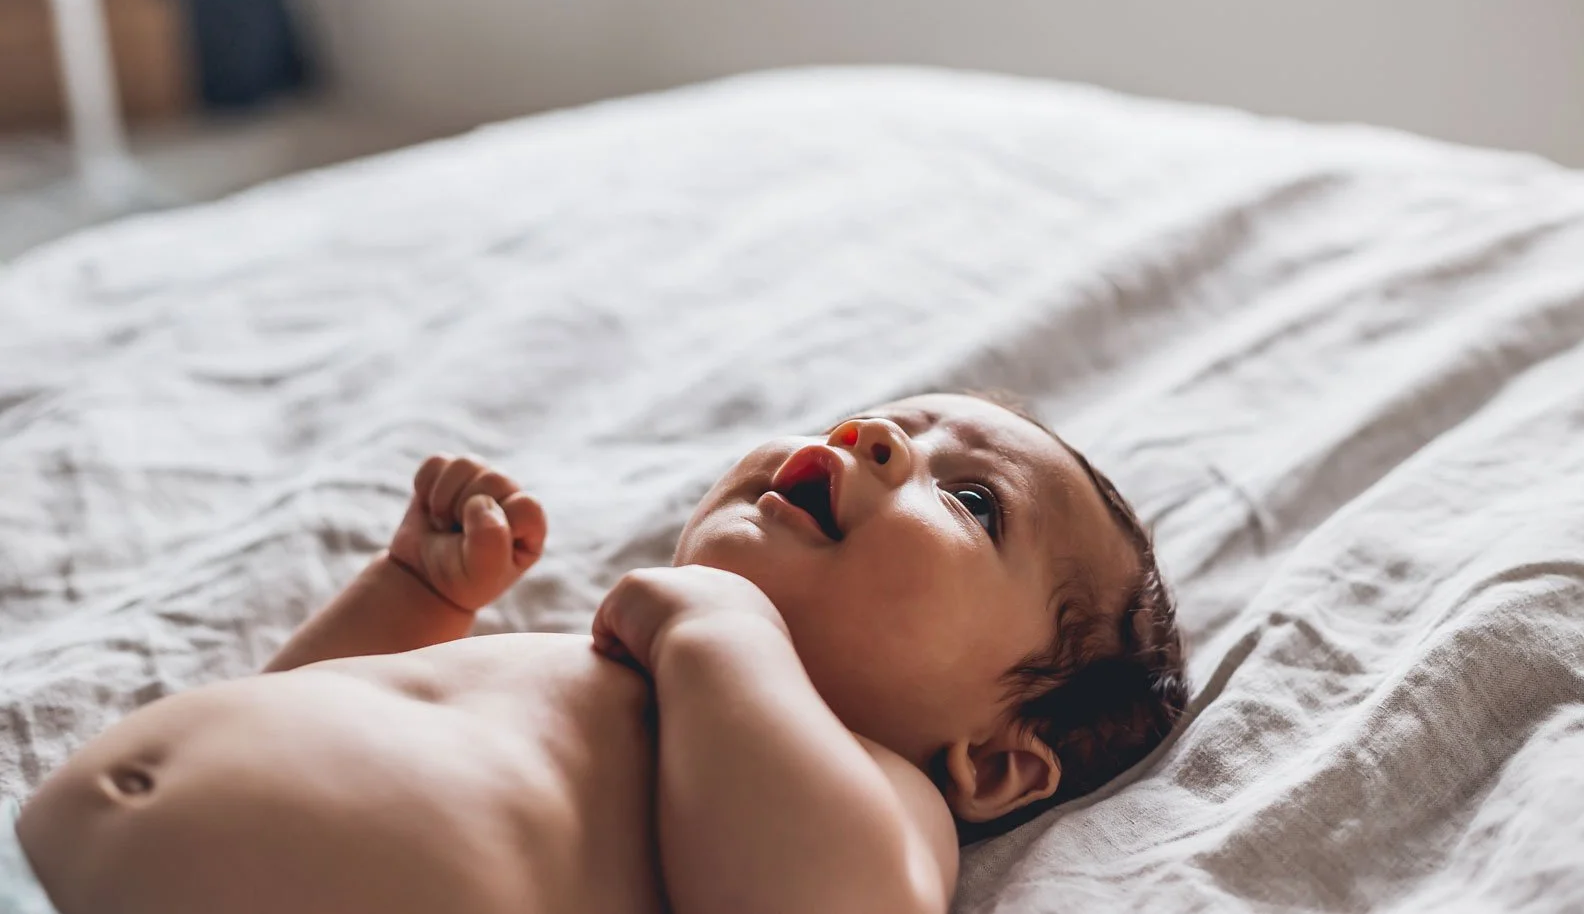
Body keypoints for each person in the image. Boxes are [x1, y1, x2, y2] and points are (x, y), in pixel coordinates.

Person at [7, 392, 1187, 914]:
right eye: (882, 416)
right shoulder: (600, 671)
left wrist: (726, 634)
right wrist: (410, 596)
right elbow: (299, 715)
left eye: (972, 501)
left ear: (992, 757)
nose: (873, 437)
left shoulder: (877, 787)